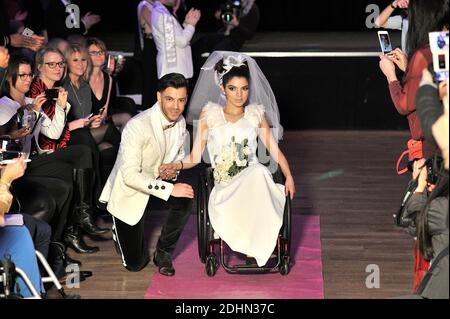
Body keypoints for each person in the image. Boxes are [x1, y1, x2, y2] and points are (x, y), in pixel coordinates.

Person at [166, 52, 295, 267]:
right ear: (222, 89)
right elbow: (195, 156)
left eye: (244, 89)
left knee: (260, 172)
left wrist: (289, 176)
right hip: (226, 187)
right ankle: (256, 242)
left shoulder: (255, 115)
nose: (239, 94)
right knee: (260, 173)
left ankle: (260, 243)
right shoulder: (210, 115)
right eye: (233, 89)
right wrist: (177, 164)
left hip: (255, 181)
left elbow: (274, 150)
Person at [99, 73, 194, 275]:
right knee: (136, 264)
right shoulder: (136, 126)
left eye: (181, 100)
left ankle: (163, 254)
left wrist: (172, 169)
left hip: (157, 181)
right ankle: (119, 230)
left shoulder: (181, 121)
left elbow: (179, 154)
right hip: (131, 191)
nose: (176, 106)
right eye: (170, 99)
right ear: (159, 97)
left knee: (185, 197)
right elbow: (130, 177)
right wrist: (169, 188)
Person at [379, 0, 448, 159]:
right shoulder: (442, 45)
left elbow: (404, 104)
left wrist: (391, 75)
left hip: (435, 146)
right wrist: (408, 69)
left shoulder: (423, 54)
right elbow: (438, 88)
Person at [151, 0, 201, 81]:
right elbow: (182, 41)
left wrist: (186, 23)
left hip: (174, 70)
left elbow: (174, 38)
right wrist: (191, 25)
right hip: (173, 71)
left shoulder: (162, 12)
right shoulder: (163, 15)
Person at [136, 0, 158, 109]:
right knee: (150, 79)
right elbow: (155, 26)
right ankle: (148, 108)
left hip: (154, 44)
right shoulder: (145, 5)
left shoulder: (155, 5)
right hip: (150, 44)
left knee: (154, 79)